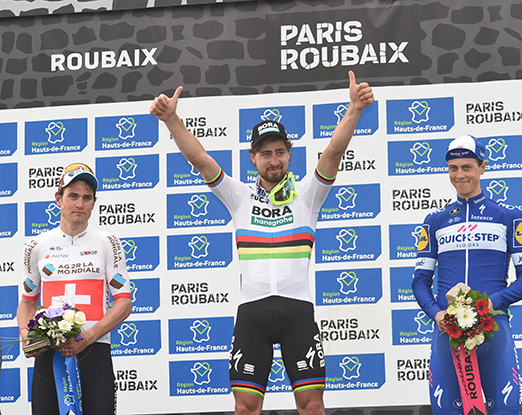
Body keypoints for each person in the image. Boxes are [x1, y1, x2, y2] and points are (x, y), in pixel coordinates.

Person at [150, 71, 374, 415]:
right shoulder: (238, 196)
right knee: (246, 407)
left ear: (289, 155)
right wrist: (171, 119)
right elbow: (199, 158)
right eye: (266, 153)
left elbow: (332, 153)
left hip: (298, 311)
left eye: (280, 152)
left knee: (312, 406)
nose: (274, 160)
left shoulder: (308, 196)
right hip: (251, 312)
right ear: (253, 158)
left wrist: (354, 110)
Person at [412, 135, 522, 415]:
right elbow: (420, 282)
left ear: (482, 167)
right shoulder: (435, 221)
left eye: (467, 167)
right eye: (453, 168)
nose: (460, 175)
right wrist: (437, 313)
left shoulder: (508, 216)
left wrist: (488, 305)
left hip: (494, 328)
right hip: (448, 333)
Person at [17, 163, 132, 415]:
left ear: (93, 203)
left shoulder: (107, 242)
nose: (80, 203)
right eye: (73, 196)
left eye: (87, 198)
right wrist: (27, 335)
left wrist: (89, 337)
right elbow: (27, 302)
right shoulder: (36, 245)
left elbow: (124, 302)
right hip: (49, 352)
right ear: (58, 199)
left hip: (95, 350)